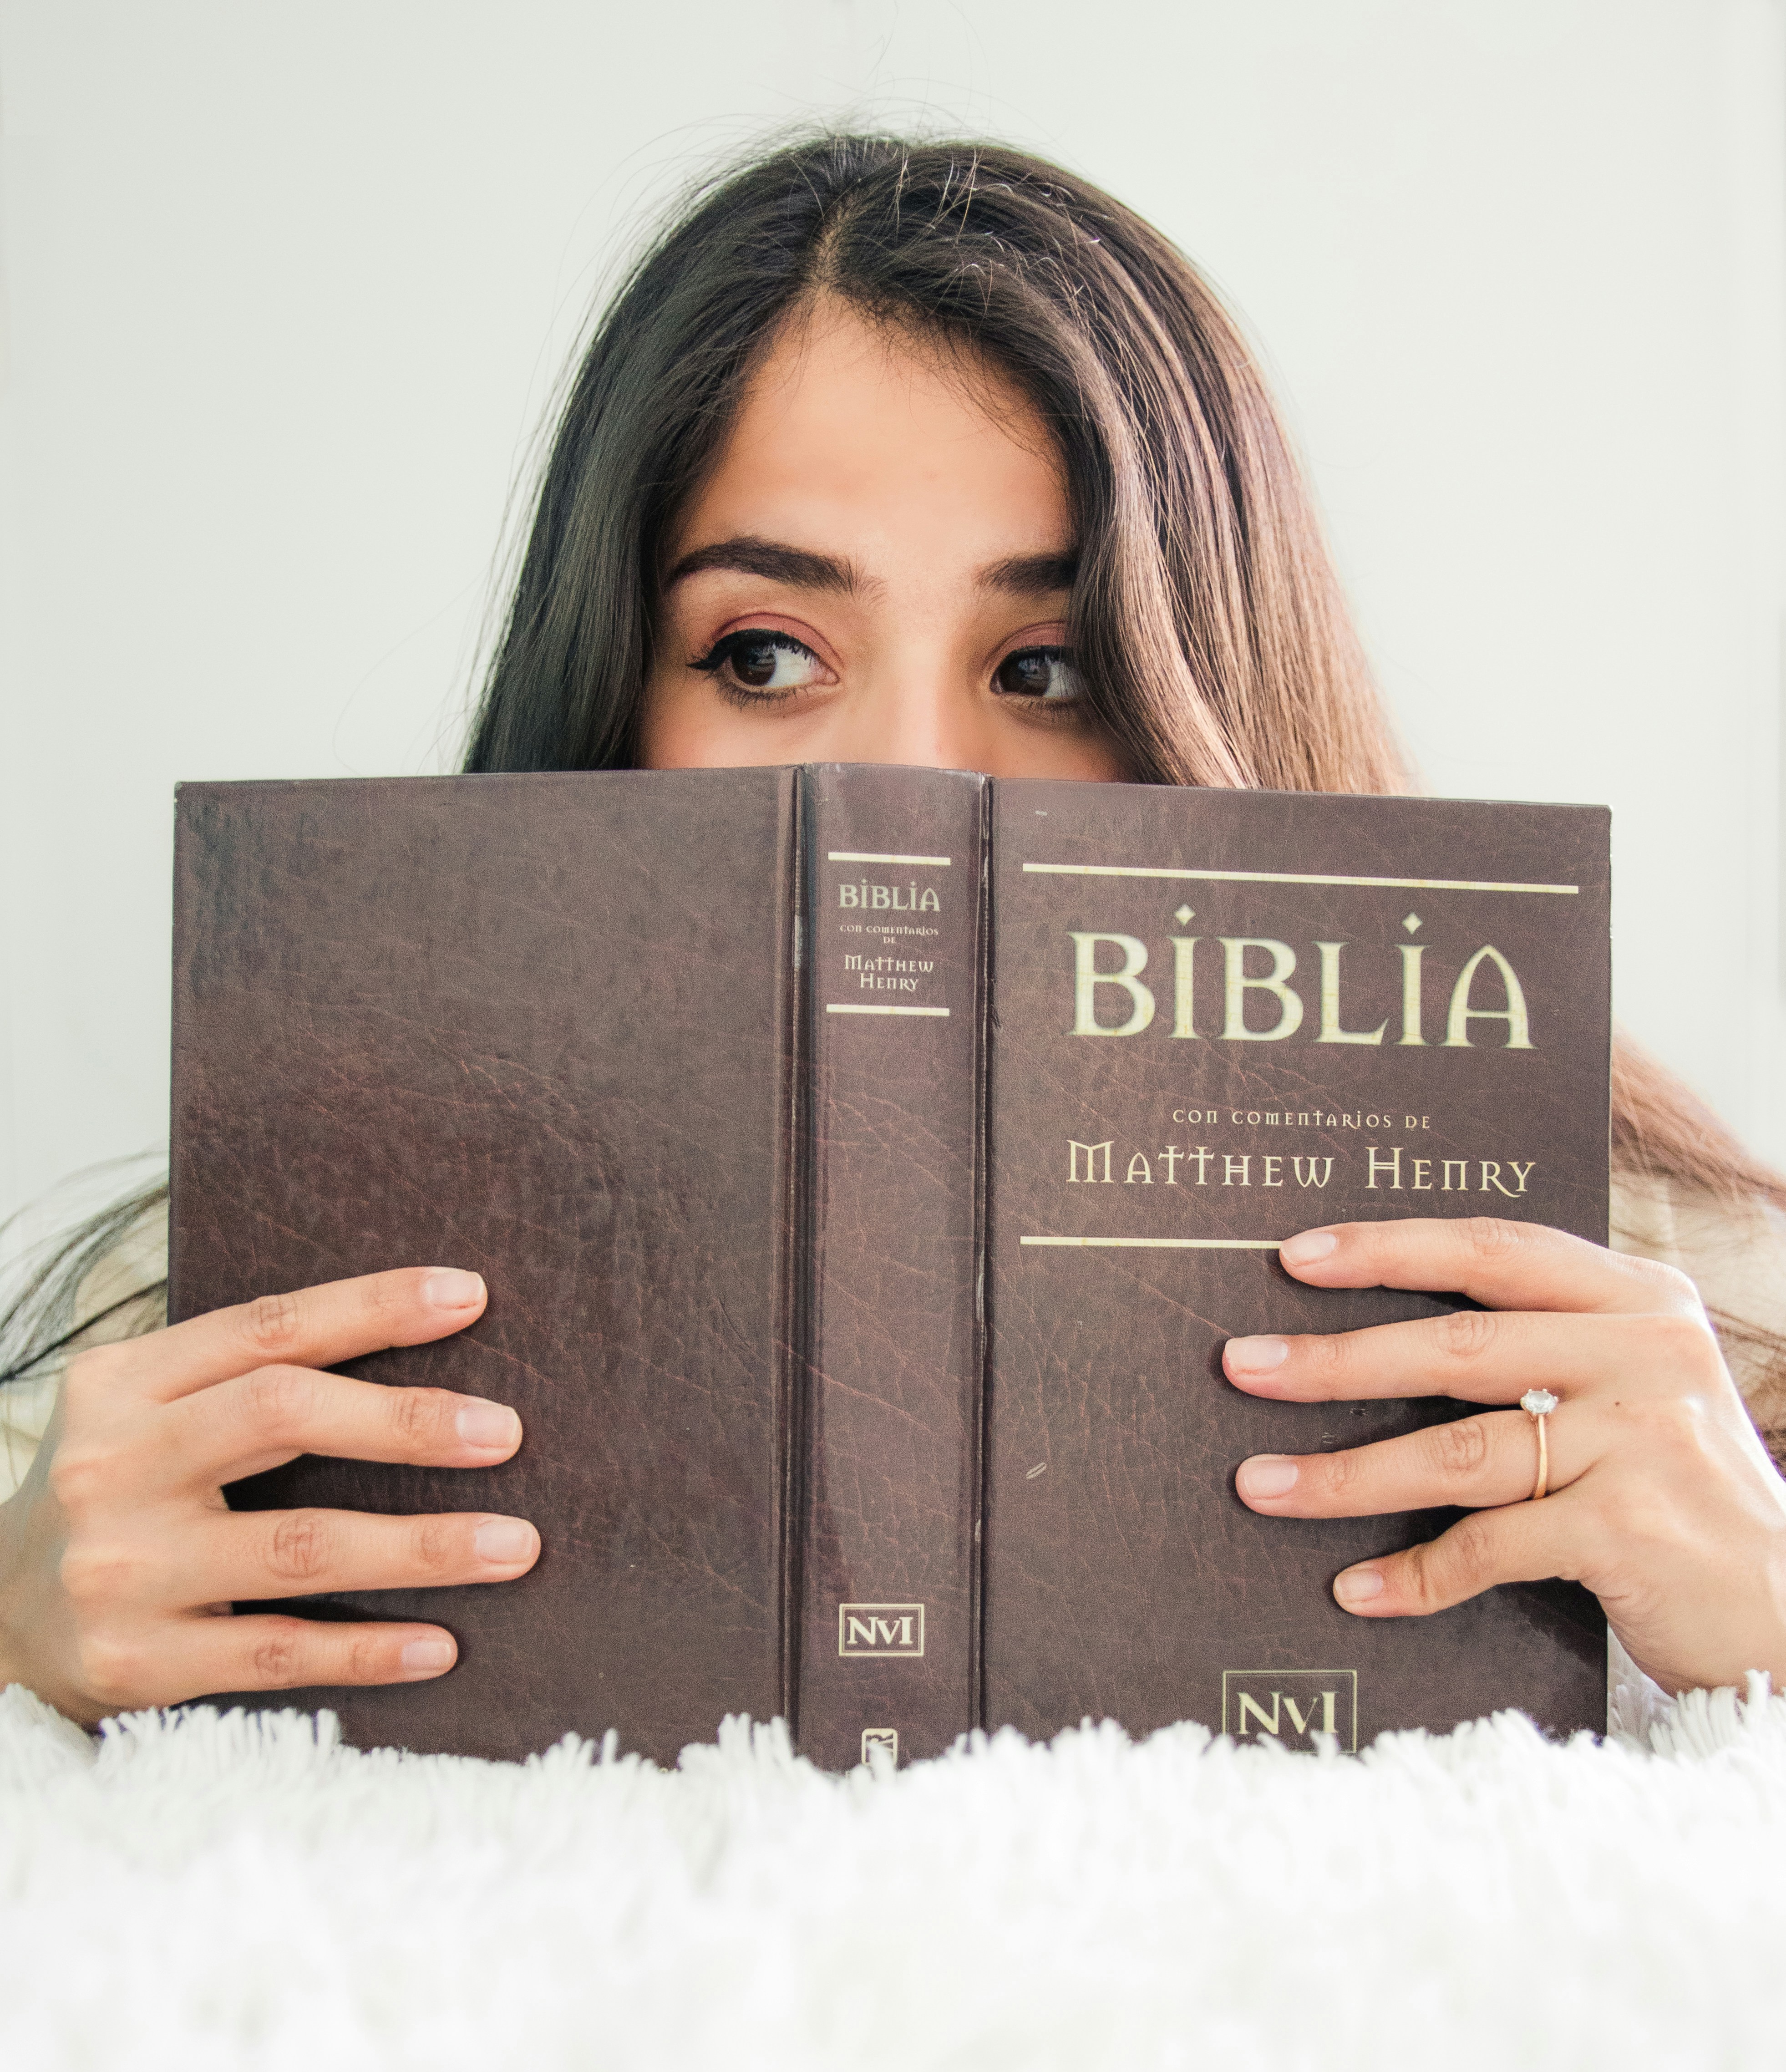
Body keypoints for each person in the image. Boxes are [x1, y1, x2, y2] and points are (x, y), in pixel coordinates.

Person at [3, 133, 1784, 1726]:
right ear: (611, 696)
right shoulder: (205, 1325)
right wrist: (17, 1629)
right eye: (764, 653)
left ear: (1210, 701)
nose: (909, 779)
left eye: (1050, 667)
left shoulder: (1671, 1314)